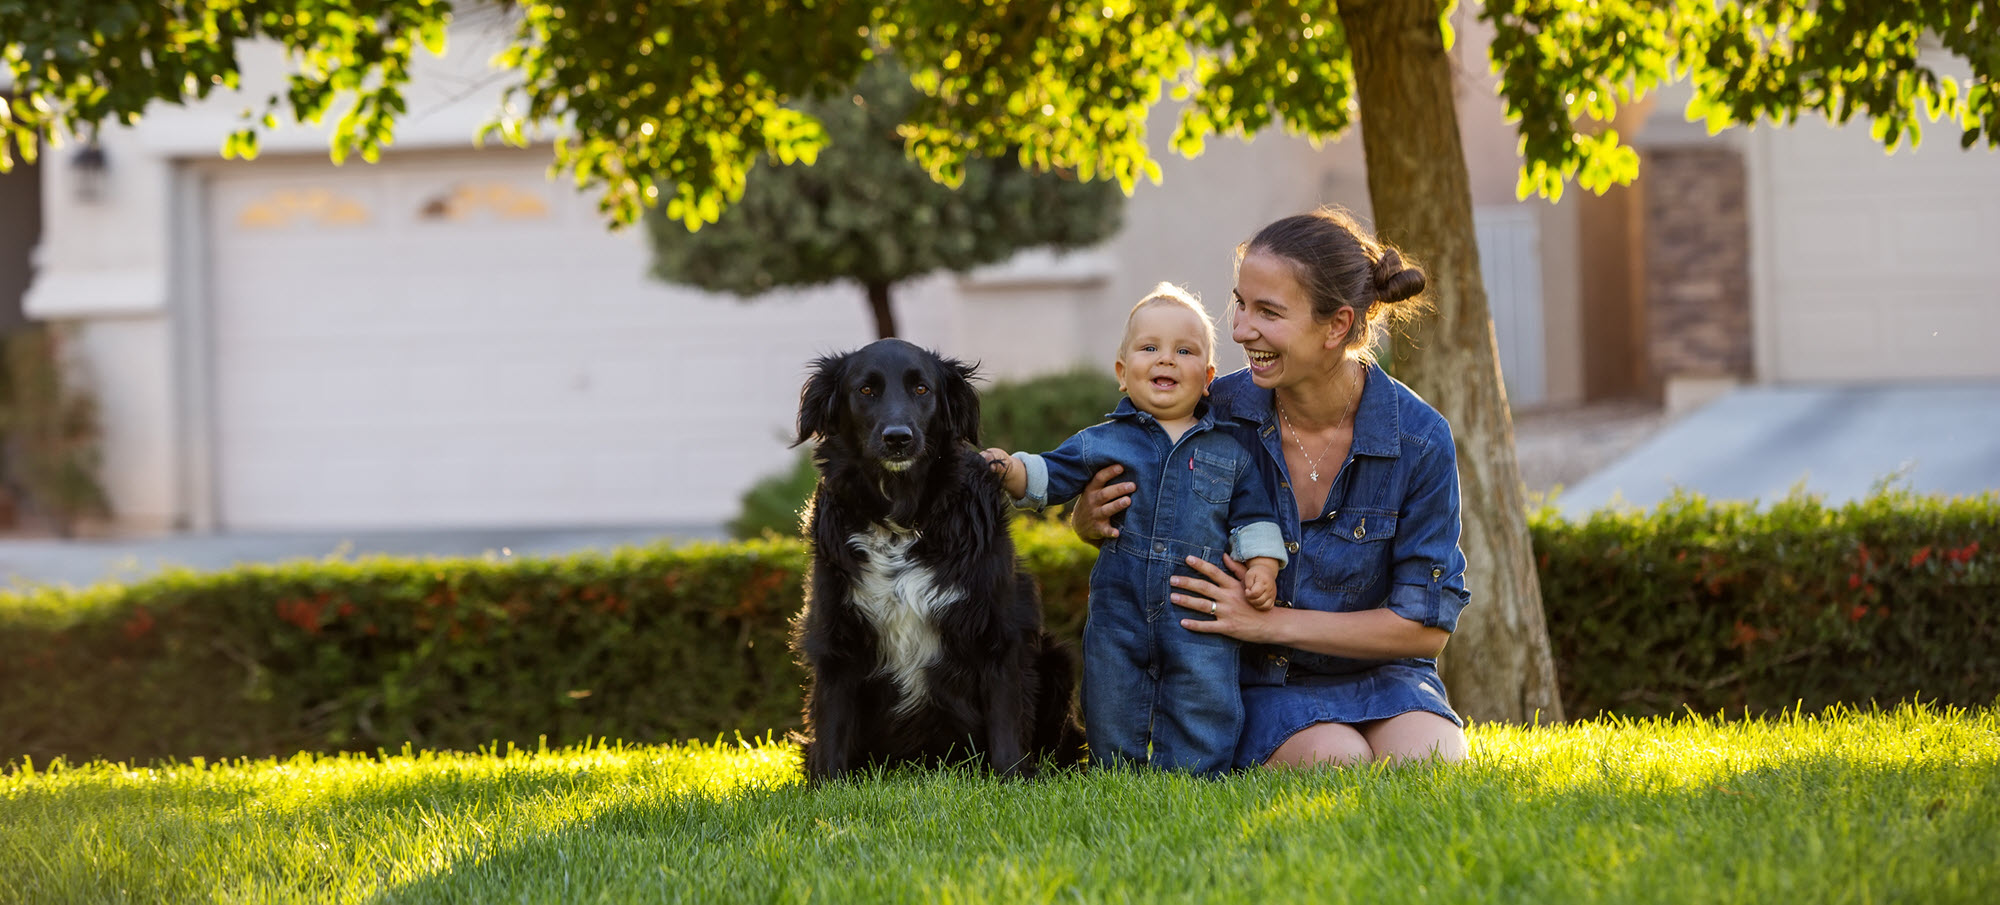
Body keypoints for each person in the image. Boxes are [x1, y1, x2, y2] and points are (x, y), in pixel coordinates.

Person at [1067, 208, 1472, 768]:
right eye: (1240, 303)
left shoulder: (1420, 439)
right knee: (1339, 759)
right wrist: (1089, 520)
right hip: (1256, 681)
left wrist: (1267, 621)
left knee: (1430, 761)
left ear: (1336, 326)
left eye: (1268, 312)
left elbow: (1424, 629)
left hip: (1384, 676)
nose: (1238, 329)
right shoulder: (1213, 414)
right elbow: (1138, 511)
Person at [982, 283, 1288, 775]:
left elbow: (1254, 516)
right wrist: (1011, 469)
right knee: (1110, 693)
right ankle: (1115, 772)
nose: (1166, 360)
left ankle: (1196, 776)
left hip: (1196, 614)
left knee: (1203, 693)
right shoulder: (1103, 441)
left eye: (1184, 351)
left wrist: (1264, 565)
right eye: (1150, 348)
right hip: (1118, 610)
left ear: (1208, 377)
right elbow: (1051, 474)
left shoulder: (1230, 452)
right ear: (1123, 374)